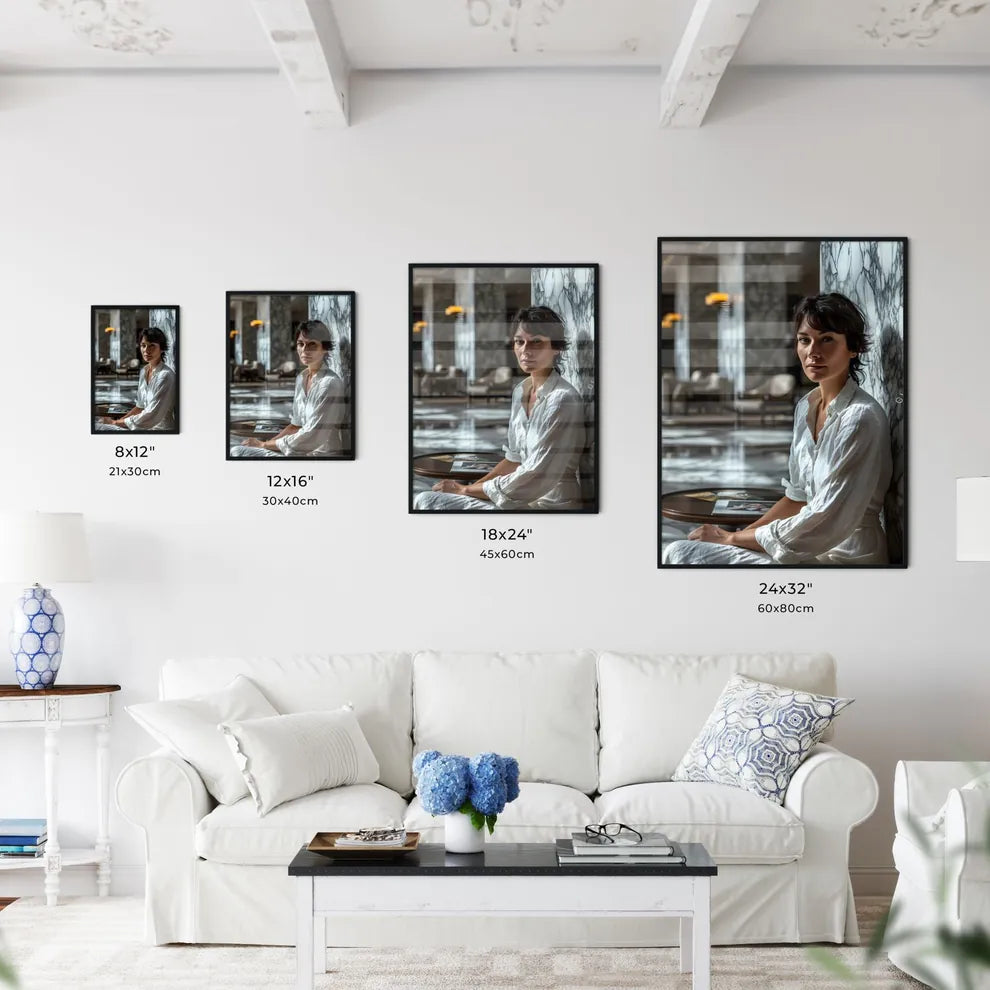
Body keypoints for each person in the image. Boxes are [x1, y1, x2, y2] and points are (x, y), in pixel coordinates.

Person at [664, 292, 893, 565]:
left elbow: (825, 519)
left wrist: (731, 539)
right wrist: (733, 536)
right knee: (688, 549)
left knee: (679, 553)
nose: (813, 352)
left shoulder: (860, 418)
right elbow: (797, 498)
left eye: (827, 339)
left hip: (843, 555)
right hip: (803, 542)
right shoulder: (806, 407)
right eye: (804, 340)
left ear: (853, 347)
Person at [414, 305, 585, 511]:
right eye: (519, 342)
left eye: (536, 342)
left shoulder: (561, 400)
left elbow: (536, 475)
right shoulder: (521, 391)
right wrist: (468, 488)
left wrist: (465, 490)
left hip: (547, 504)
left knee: (426, 501)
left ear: (556, 347)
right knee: (432, 497)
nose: (525, 350)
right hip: (516, 494)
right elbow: (514, 459)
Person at [229, 320, 347, 458]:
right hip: (298, 450)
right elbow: (295, 426)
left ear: (325, 348)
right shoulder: (301, 378)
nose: (304, 350)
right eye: (300, 344)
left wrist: (263, 445)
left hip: (319, 455)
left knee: (237, 452)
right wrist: (265, 443)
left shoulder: (329, 384)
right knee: (241, 449)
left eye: (312, 344)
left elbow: (312, 437)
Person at [95, 327, 176, 431]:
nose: (146, 350)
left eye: (152, 346)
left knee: (98, 427)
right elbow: (140, 407)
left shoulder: (165, 376)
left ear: (162, 348)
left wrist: (115, 422)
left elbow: (152, 415)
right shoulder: (144, 371)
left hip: (158, 430)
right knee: (96, 422)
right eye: (143, 345)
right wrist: (118, 422)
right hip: (139, 426)